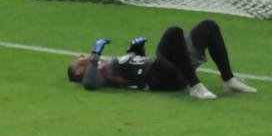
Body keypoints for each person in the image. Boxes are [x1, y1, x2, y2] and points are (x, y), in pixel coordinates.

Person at [66, 19, 257, 100]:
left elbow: (136, 71)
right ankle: (195, 86)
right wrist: (95, 55)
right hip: (159, 78)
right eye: (78, 60)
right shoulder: (97, 74)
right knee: (173, 32)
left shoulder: (106, 67)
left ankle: (228, 79)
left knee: (209, 26)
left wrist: (138, 51)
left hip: (167, 68)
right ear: (79, 71)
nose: (81, 56)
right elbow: (91, 85)